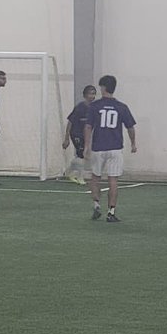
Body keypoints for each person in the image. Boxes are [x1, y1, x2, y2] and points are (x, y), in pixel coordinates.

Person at [82, 75, 137, 223]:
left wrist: (86, 146)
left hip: (99, 147)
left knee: (95, 177)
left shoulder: (95, 106)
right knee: (113, 180)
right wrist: (133, 143)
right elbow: (130, 127)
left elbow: (88, 127)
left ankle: (96, 206)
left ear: (103, 88)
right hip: (115, 148)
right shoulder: (121, 107)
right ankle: (111, 212)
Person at [62, 85, 97, 185]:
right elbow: (70, 122)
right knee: (82, 155)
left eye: (93, 93)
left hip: (85, 135)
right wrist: (66, 138)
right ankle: (81, 177)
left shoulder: (94, 108)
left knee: (80, 155)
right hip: (76, 133)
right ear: (85, 95)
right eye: (90, 93)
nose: (92, 96)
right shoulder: (79, 107)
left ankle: (69, 171)